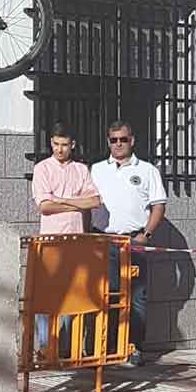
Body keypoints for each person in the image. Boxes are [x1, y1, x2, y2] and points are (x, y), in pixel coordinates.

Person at [91, 119, 167, 367]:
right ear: (108, 142)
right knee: (107, 294)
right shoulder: (97, 169)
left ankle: (134, 347)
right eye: (114, 140)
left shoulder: (147, 170)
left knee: (137, 296)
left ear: (132, 140)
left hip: (135, 241)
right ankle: (109, 346)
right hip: (104, 241)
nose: (118, 144)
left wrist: (146, 235)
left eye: (123, 139)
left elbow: (158, 206)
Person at [32, 122, 100, 355]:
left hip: (76, 240)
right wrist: (75, 202)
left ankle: (65, 345)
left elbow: (95, 201)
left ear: (72, 145)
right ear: (51, 143)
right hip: (51, 240)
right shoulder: (42, 168)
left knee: (73, 294)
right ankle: (44, 344)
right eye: (55, 144)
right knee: (46, 294)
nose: (59, 149)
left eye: (64, 145)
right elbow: (45, 207)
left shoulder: (81, 169)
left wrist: (62, 199)